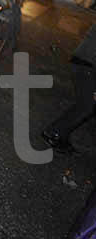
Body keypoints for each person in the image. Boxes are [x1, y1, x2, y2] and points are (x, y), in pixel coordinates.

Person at [42, 23, 96, 154]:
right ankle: (54, 133)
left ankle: (58, 133)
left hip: (84, 62)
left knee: (86, 104)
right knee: (88, 105)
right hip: (88, 65)